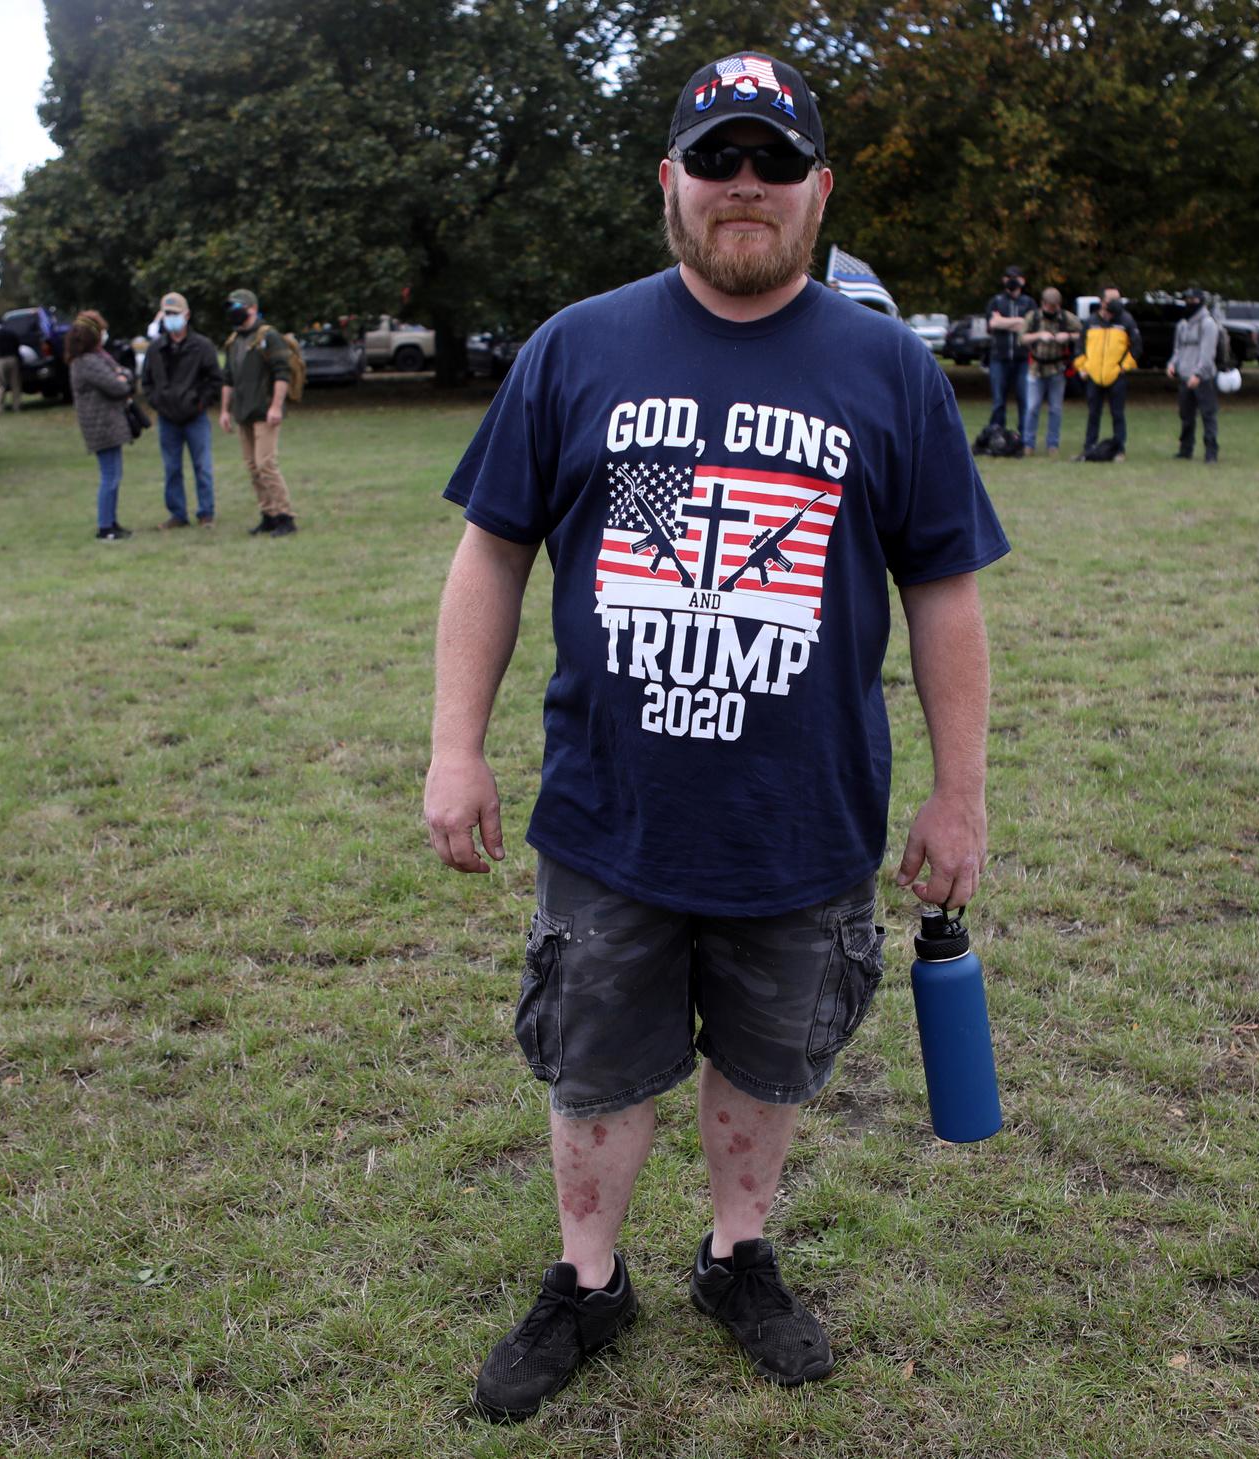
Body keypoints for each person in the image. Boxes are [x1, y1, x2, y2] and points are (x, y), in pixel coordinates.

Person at [425, 49, 1008, 1424]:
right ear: (670, 180)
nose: (745, 185)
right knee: (596, 1056)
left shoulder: (889, 370)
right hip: (611, 812)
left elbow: (945, 591)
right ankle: (588, 1275)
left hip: (802, 815)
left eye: (775, 162)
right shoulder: (577, 346)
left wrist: (961, 793)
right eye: (718, 158)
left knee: (769, 1053)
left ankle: (739, 1253)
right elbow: (491, 553)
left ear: (818, 191)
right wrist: (457, 743)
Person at [218, 288, 298, 537]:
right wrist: (224, 410)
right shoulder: (234, 341)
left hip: (264, 411)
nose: (233, 312)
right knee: (252, 466)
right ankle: (269, 514)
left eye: (236, 307)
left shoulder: (269, 336)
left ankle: (285, 516)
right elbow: (228, 379)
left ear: (251, 308)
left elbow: (282, 373)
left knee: (266, 464)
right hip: (244, 412)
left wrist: (275, 406)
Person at [143, 291, 221, 527]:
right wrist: (157, 402)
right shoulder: (156, 349)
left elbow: (215, 380)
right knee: (171, 468)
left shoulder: (202, 346)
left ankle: (206, 512)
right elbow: (146, 382)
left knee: (202, 466)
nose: (171, 318)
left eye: (175, 314)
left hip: (195, 416)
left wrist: (200, 402)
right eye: (166, 314)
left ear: (186, 315)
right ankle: (178, 514)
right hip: (168, 418)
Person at [66, 310, 136, 541]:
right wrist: (122, 379)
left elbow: (122, 374)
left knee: (114, 474)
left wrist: (122, 376)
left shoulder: (96, 358)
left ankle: (111, 521)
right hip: (101, 425)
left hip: (106, 424)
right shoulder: (87, 362)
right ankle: (105, 526)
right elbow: (117, 385)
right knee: (110, 475)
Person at [1019, 286, 1080, 458]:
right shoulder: (1034, 317)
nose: (1052, 310)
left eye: (1055, 306)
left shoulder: (1066, 318)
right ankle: (1028, 444)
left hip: (1056, 369)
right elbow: (1021, 338)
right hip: (1036, 370)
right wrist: (1038, 335)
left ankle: (1053, 444)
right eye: (1050, 307)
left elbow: (1083, 333)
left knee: (1056, 409)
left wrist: (1067, 336)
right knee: (1032, 408)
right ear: (1043, 304)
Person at [1076, 296, 1136, 458]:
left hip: (1116, 375)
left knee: (1117, 413)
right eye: (1109, 314)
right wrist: (1082, 367)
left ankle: (1119, 448)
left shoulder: (1126, 322)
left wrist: (1124, 366)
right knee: (1093, 413)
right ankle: (1089, 446)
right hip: (1093, 375)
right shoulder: (1090, 322)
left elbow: (1136, 347)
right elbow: (1080, 346)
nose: (1110, 317)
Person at [1166, 286, 1220, 464]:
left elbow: (1207, 353)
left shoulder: (1208, 324)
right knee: (1186, 416)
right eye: (1186, 300)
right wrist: (1172, 364)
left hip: (1202, 379)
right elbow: (1178, 349)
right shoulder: (1182, 325)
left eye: (1192, 300)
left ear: (1200, 301)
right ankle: (1185, 449)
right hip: (1184, 376)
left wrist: (1198, 374)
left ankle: (1211, 452)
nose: (1189, 304)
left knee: (1208, 415)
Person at [983, 266, 1035, 437]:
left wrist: (1004, 321)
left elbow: (1029, 326)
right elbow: (992, 325)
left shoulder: (1028, 302)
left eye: (1016, 277)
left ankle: (1024, 435)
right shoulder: (996, 301)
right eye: (1008, 277)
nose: (1012, 281)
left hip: (1021, 358)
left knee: (1023, 399)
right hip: (999, 357)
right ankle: (997, 434)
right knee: (998, 400)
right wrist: (1019, 322)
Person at [0, 319, 22, 415]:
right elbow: (17, 345)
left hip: (0, 360)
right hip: (12, 358)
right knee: (15, 383)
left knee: (0, 384)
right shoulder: (11, 333)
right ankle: (16, 406)